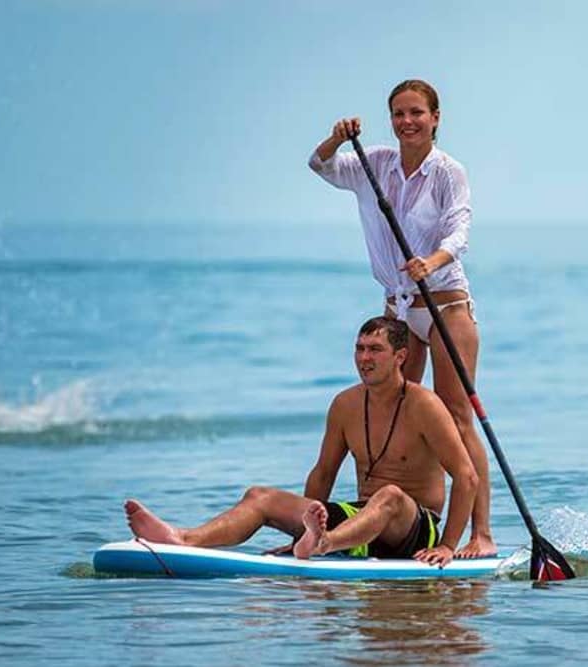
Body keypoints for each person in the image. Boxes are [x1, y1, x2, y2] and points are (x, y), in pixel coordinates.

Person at [307, 79, 496, 559]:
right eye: (398, 114)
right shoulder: (372, 163)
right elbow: (320, 165)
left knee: (454, 416)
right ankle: (388, 521)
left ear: (435, 118)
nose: (406, 122)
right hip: (398, 305)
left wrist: (431, 262)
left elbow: (460, 228)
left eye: (416, 113)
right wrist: (335, 136)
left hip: (445, 305)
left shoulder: (449, 172)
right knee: (394, 409)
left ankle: (479, 534)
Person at [124, 317, 478, 567]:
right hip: (359, 522)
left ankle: (325, 544)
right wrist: (302, 530)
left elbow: (467, 476)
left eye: (375, 349)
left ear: (400, 357)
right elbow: (323, 473)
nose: (364, 358)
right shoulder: (345, 404)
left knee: (389, 495)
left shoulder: (424, 405)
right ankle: (183, 539)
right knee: (259, 496)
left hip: (415, 530)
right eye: (359, 348)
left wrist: (448, 545)